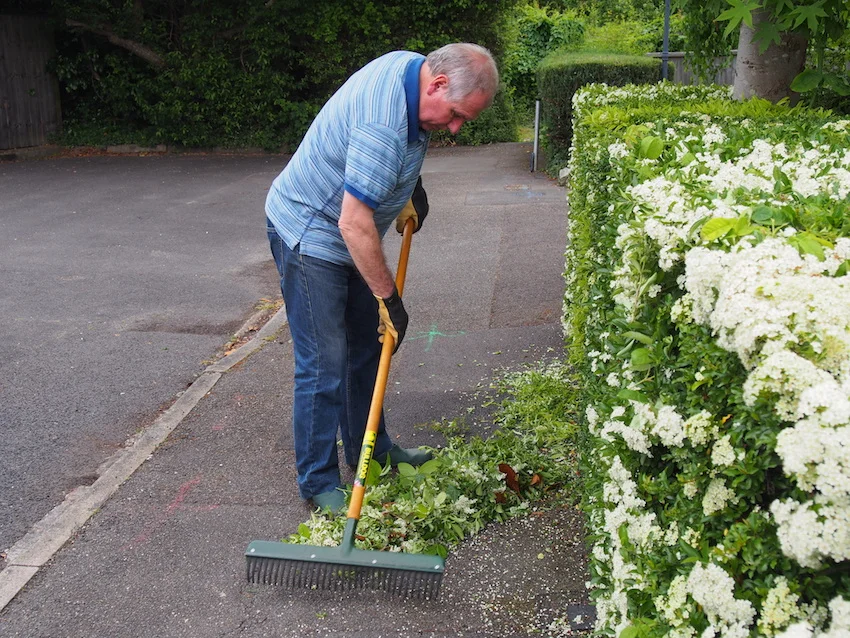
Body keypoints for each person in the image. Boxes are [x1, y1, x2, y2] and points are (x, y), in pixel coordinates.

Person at [265, 43, 499, 512]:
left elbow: (403, 144)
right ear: (435, 84)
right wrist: (388, 298)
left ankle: (372, 453)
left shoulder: (413, 69)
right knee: (325, 362)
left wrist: (411, 185)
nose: (453, 129)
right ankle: (317, 480)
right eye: (455, 115)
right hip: (312, 230)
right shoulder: (382, 125)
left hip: (350, 231)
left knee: (368, 348)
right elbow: (353, 223)